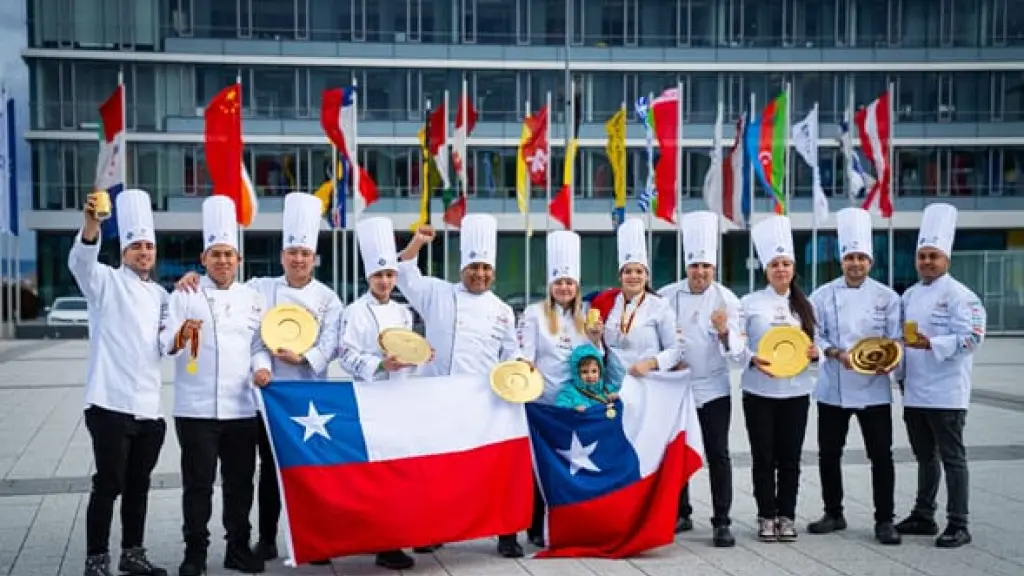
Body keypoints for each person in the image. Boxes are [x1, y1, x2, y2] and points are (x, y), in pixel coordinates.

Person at [175, 192, 343, 565]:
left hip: (309, 396)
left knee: (310, 474)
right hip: (268, 396)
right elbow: (238, 312)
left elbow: (332, 343)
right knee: (267, 472)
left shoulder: (329, 298)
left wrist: (306, 357)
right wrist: (193, 278)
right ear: (282, 256)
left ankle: (314, 541)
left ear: (314, 258)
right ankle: (266, 540)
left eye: (305, 253)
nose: (298, 259)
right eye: (292, 252)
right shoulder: (260, 289)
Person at [396, 214, 529, 559]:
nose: (479, 274)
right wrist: (417, 242)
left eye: (485, 268)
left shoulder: (502, 310)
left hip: (482, 401)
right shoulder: (437, 293)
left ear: (493, 272)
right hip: (438, 396)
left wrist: (520, 366)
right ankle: (432, 530)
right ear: (462, 268)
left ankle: (506, 534)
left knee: (492, 470)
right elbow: (404, 273)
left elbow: (511, 352)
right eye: (473, 267)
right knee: (436, 469)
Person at [159, 197, 267, 575]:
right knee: (198, 485)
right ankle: (195, 554)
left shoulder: (253, 299)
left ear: (239, 259)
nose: (222, 261)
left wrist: (262, 369)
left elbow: (259, 345)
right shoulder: (184, 294)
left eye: (228, 255)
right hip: (195, 409)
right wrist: (180, 335)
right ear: (203, 259)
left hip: (242, 408)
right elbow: (164, 344)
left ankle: (237, 548)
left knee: (240, 484)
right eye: (215, 254)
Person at [69, 189, 169, 576]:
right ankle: (96, 559)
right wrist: (91, 224)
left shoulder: (160, 295)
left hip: (149, 409)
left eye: (149, 246)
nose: (144, 252)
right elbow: (81, 262)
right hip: (109, 403)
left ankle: (133, 554)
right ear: (124, 251)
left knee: (138, 486)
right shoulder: (105, 282)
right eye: (136, 246)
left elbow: (168, 344)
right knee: (108, 484)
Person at [806, 207, 902, 545]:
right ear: (841, 260)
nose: (855, 263)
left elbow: (896, 340)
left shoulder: (887, 297)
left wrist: (891, 360)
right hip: (834, 386)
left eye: (861, 258)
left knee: (881, 455)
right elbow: (813, 337)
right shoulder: (822, 295)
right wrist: (836, 353)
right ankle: (833, 512)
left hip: (874, 388)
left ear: (870, 262)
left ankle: (885, 520)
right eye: (850, 257)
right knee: (829, 454)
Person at [895, 203, 986, 548]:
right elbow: (901, 340)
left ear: (946, 258)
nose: (927, 262)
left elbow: (973, 338)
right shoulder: (910, 295)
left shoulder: (962, 296)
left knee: (952, 459)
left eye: (933, 256)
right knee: (924, 457)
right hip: (915, 391)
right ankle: (923, 514)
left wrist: (932, 343)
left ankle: (959, 523)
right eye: (922, 256)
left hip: (947, 393)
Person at [335, 216, 420, 571]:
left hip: (400, 399)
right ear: (368, 277)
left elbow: (412, 350)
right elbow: (345, 355)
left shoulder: (403, 312)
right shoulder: (354, 312)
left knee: (400, 472)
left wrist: (417, 358)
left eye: (389, 275)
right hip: (370, 400)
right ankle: (381, 542)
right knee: (375, 474)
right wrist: (380, 364)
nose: (385, 281)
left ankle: (396, 536)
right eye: (378, 275)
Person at [657, 210, 744, 547]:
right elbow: (657, 338)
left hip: (714, 387)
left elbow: (738, 353)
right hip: (678, 388)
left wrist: (723, 332)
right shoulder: (666, 296)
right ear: (687, 266)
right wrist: (667, 363)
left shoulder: (727, 299)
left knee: (718, 454)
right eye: (695, 266)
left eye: (706, 266)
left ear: (714, 268)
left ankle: (722, 520)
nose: (700, 272)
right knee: (677, 451)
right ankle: (681, 512)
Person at [517, 230, 601, 546]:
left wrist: (596, 339)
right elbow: (525, 356)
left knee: (572, 467)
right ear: (550, 285)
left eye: (569, 282)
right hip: (543, 406)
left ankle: (570, 522)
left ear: (576, 286)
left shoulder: (586, 315)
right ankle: (536, 526)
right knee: (541, 467)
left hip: (575, 406)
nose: (564, 287)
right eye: (559, 282)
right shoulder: (534, 314)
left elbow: (595, 362)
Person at [740, 215, 819, 543]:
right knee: (763, 458)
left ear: (794, 268)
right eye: (775, 264)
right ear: (766, 269)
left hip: (796, 391)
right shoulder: (749, 303)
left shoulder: (805, 305)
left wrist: (816, 352)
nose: (781, 269)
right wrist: (750, 357)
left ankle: (787, 516)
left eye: (786, 264)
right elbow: (736, 343)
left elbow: (820, 342)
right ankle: (765, 515)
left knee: (790, 459)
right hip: (759, 390)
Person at [588, 217, 683, 380]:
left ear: (647, 276)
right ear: (620, 276)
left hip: (649, 384)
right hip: (614, 388)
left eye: (639, 272)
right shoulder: (607, 303)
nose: (633, 276)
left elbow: (676, 351)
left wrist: (650, 363)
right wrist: (595, 340)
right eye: (628, 271)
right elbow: (598, 352)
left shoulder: (659, 306)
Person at [554, 343, 625, 412]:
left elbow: (623, 397)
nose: (590, 376)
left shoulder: (607, 389)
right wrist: (572, 409)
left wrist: (616, 397)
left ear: (600, 371)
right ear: (576, 373)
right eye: (584, 372)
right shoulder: (570, 393)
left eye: (594, 371)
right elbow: (560, 408)